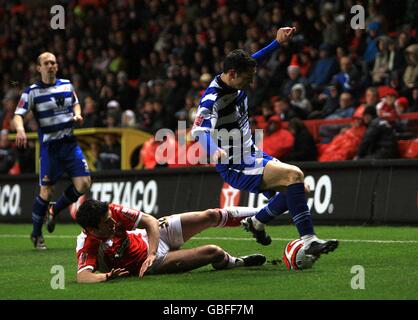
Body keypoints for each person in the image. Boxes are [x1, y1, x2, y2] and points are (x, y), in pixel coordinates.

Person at [191, 27, 338, 259]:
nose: (251, 80)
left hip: (252, 154)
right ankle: (308, 241)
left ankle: (257, 222)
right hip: (235, 163)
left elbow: (255, 59)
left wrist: (277, 43)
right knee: (294, 176)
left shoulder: (233, 78)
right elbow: (198, 131)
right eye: (247, 77)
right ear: (232, 74)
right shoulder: (212, 99)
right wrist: (213, 149)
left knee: (300, 189)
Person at [75, 199, 265, 283]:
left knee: (209, 215)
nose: (113, 222)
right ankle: (233, 262)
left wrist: (151, 251)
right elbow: (83, 276)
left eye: (111, 217)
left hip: (153, 237)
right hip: (153, 263)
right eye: (107, 222)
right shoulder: (87, 243)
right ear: (93, 229)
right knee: (214, 252)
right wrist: (106, 276)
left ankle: (265, 213)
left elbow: (149, 221)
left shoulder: (113, 211)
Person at [13, 52, 91, 250]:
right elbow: (18, 115)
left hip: (70, 144)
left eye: (54, 62)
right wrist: (21, 129)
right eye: (46, 63)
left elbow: (76, 103)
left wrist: (78, 115)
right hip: (50, 148)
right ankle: (36, 234)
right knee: (46, 191)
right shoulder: (32, 92)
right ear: (39, 68)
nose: (51, 65)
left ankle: (55, 210)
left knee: (83, 184)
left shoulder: (66, 85)